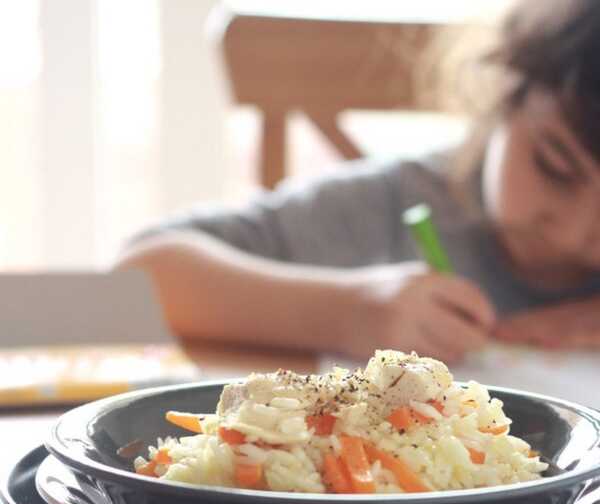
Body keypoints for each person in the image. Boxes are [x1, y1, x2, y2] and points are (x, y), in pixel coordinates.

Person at [117, 0, 600, 364]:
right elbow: (139, 274)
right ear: (505, 91)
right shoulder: (394, 203)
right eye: (554, 167)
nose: (571, 229)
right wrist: (346, 313)